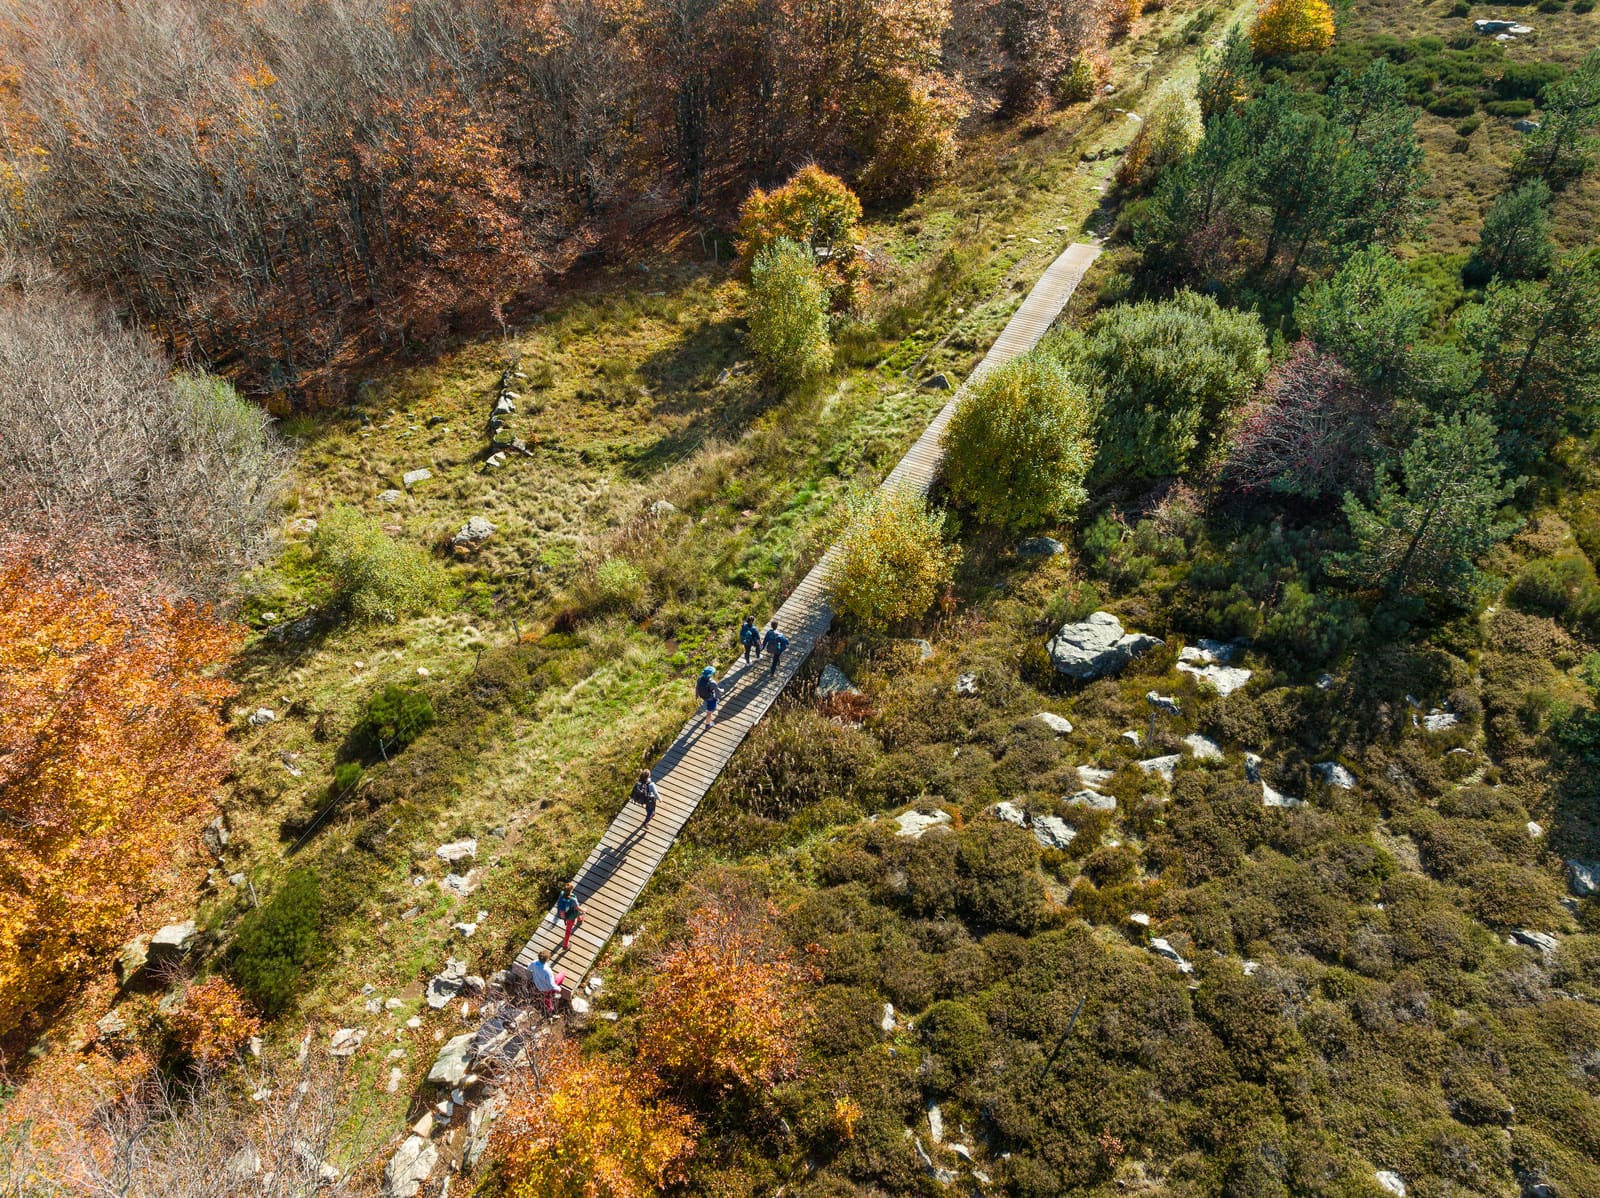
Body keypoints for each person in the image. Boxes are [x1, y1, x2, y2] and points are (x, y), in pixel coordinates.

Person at [555, 882, 583, 951]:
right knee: (577, 912)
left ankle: (565, 945)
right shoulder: (573, 899)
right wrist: (584, 910)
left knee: (568, 929)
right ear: (571, 890)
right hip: (571, 915)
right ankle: (565, 945)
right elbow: (578, 908)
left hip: (564, 914)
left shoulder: (561, 894)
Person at [695, 664, 720, 729]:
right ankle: (708, 725)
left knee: (711, 706)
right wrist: (717, 698)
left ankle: (711, 708)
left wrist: (697, 696)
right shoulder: (712, 682)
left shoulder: (699, 679)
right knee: (709, 712)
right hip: (711, 698)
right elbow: (717, 692)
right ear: (711, 674)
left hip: (703, 696)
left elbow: (697, 688)